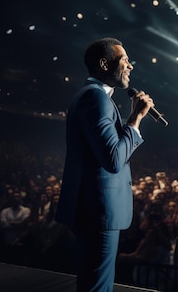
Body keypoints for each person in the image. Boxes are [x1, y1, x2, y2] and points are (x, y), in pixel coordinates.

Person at [55, 37, 154, 292]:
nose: (131, 66)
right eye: (125, 61)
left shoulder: (92, 97)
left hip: (93, 208)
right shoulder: (95, 98)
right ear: (103, 63)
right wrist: (135, 119)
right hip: (99, 210)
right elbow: (112, 159)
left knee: (91, 282)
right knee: (97, 287)